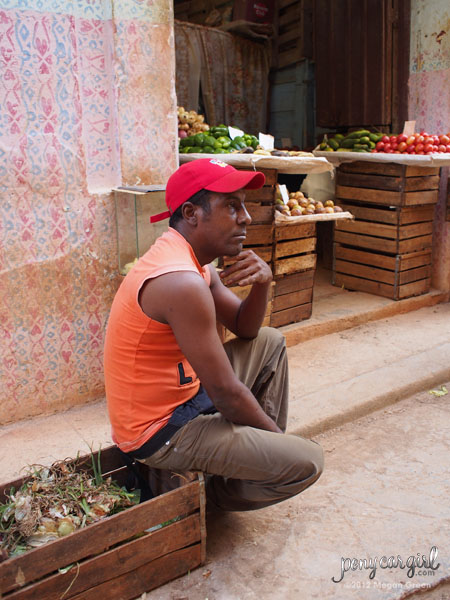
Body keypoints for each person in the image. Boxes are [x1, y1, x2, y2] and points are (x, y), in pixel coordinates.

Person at [104, 158, 323, 511]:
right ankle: (207, 497)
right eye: (231, 206)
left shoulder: (195, 260)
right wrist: (276, 445)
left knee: (269, 340)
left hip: (186, 398)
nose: (246, 218)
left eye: (243, 205)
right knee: (307, 461)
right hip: (160, 432)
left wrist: (263, 282)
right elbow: (225, 393)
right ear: (192, 213)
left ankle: (246, 461)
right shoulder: (180, 281)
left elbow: (246, 328)